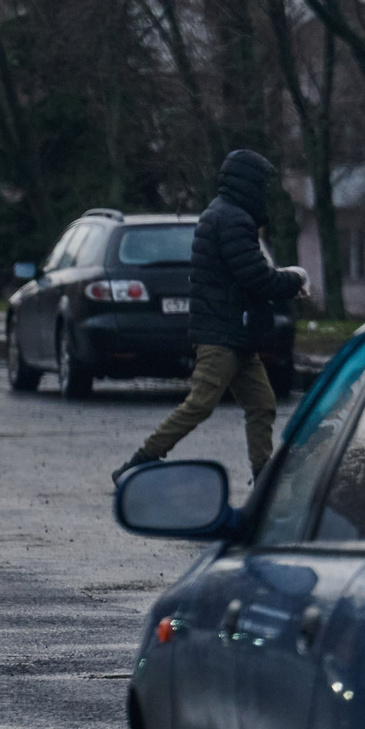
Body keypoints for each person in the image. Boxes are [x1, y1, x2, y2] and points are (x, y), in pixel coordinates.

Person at [121, 148, 310, 483]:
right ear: (248, 183)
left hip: (235, 333)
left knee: (261, 404)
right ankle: (138, 463)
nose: (265, 191)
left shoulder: (223, 214)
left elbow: (245, 275)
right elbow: (256, 276)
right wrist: (295, 279)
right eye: (262, 183)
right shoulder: (233, 219)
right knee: (200, 404)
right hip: (222, 335)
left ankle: (263, 477)